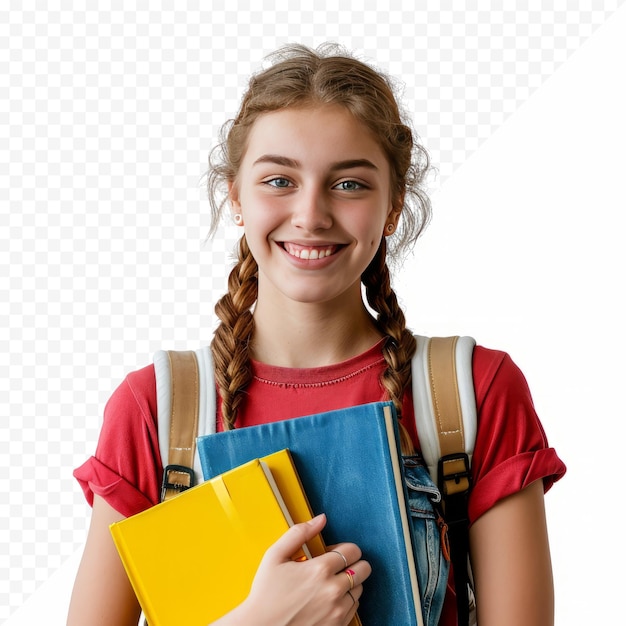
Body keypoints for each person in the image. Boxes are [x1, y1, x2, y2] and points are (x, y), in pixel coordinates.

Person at [67, 43, 566, 626]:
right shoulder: (159, 407)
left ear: (394, 206)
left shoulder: (468, 392)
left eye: (349, 184)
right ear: (236, 196)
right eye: (279, 179)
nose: (310, 214)